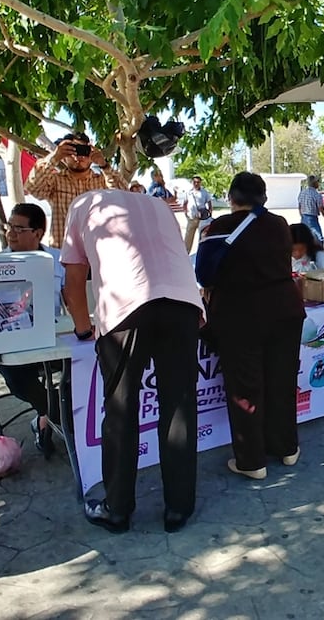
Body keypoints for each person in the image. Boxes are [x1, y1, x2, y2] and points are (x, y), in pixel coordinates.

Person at [61, 189, 204, 534]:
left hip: (126, 307)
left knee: (122, 409)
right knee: (179, 404)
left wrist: (83, 329)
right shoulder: (157, 203)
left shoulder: (82, 205)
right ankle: (178, 508)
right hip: (183, 304)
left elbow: (74, 280)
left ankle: (118, 509)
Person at [204, 172, 306, 479]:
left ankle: (251, 462)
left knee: (245, 388)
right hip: (285, 310)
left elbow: (204, 274)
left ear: (231, 198)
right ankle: (286, 448)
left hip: (240, 314)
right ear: (264, 198)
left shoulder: (220, 227)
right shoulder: (279, 225)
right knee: (282, 381)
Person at [0, 203, 66, 457]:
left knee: (85, 366)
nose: (11, 233)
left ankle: (45, 419)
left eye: (18, 228)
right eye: (9, 227)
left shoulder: (59, 260)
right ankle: (58, 415)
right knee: (17, 377)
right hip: (12, 345)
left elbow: (73, 300)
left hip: (51, 340)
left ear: (38, 233)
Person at [24, 131, 128, 247]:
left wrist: (104, 165)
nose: (78, 157)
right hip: (64, 253)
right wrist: (54, 158)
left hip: (97, 252)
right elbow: (32, 187)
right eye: (72, 151)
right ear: (64, 157)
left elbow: (124, 196)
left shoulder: (103, 181)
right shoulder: (55, 181)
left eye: (83, 150)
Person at [182, 176, 214, 253]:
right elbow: (185, 203)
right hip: (192, 218)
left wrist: (209, 215)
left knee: (203, 236)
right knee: (188, 237)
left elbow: (209, 203)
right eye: (194, 182)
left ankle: (201, 252)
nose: (196, 184)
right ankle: (186, 253)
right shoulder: (188, 192)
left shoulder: (204, 192)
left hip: (202, 218)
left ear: (200, 183)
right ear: (192, 183)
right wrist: (186, 213)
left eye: (198, 182)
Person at [298, 175, 324, 243]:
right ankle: (320, 252)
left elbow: (299, 206)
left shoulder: (302, 193)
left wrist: (302, 215)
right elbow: (321, 208)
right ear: (314, 183)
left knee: (305, 238)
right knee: (319, 238)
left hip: (303, 217)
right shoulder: (316, 194)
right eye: (317, 182)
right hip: (312, 218)